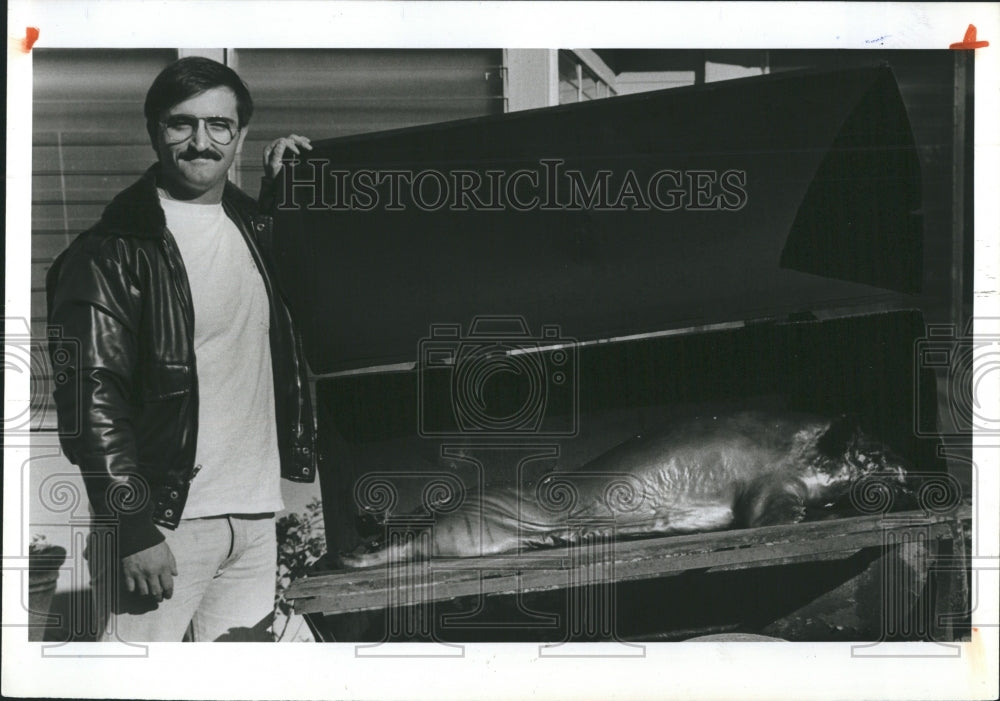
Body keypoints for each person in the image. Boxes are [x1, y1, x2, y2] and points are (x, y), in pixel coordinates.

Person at [46, 56, 317, 642]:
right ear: (154, 131)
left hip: (252, 516)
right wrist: (130, 525)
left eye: (219, 125)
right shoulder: (110, 253)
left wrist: (288, 186)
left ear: (240, 134)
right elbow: (91, 399)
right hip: (165, 526)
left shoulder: (252, 228)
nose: (201, 142)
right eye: (181, 125)